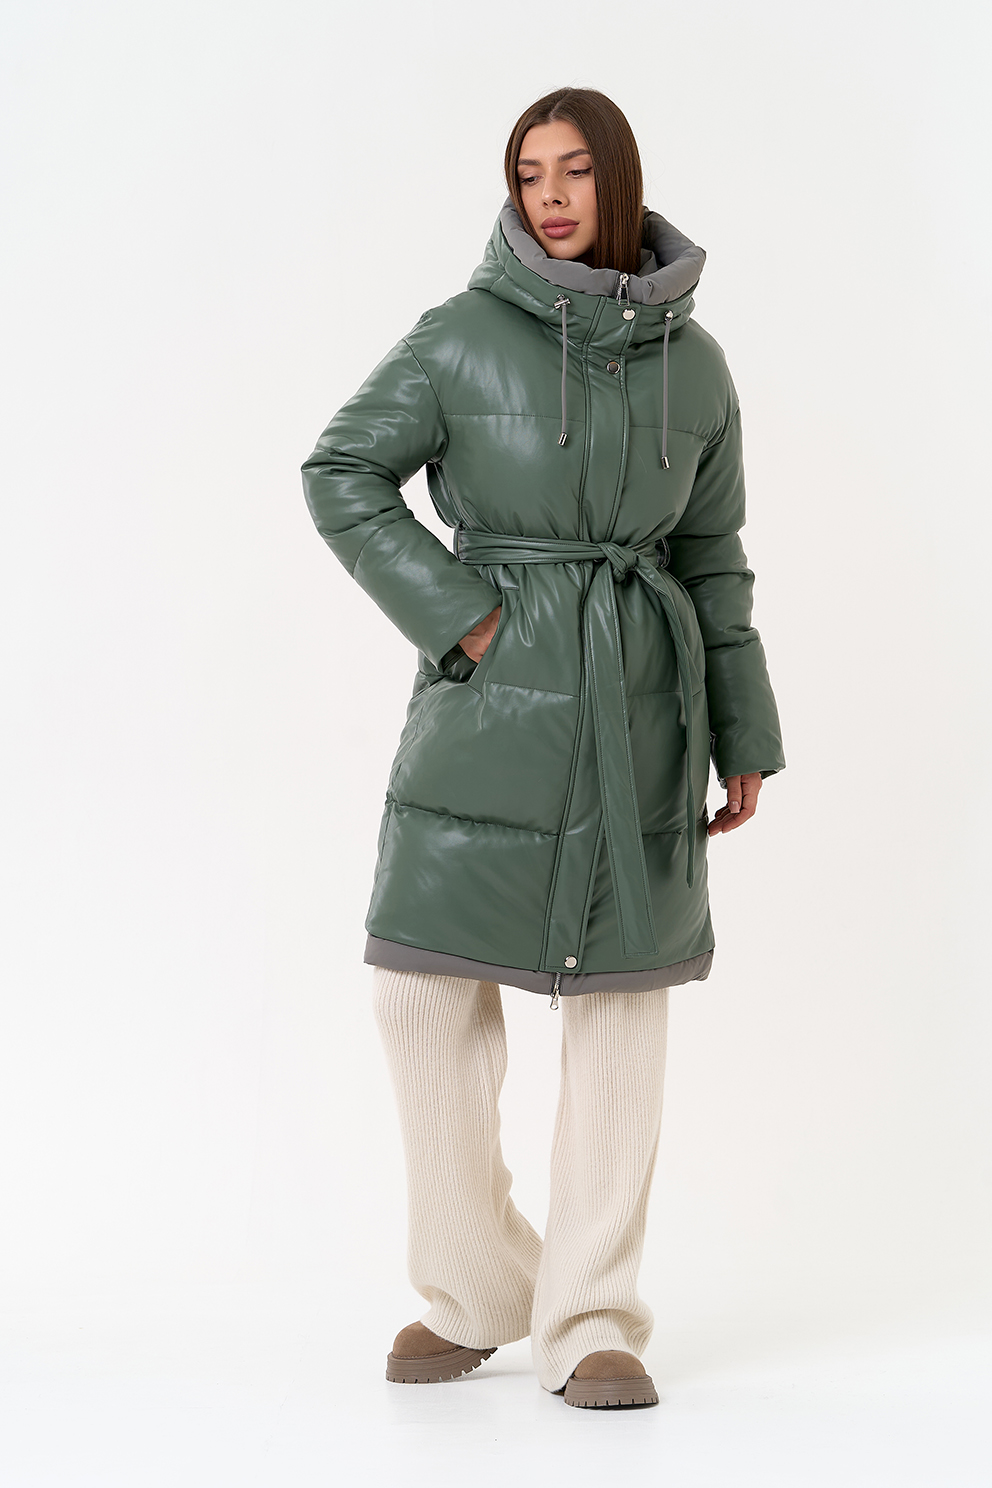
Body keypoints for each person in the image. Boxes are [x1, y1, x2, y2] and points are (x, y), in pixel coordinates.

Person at [301, 86, 785, 1410]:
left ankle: (591, 1318)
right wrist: (463, 619)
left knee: (622, 1007)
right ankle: (476, 1286)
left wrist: (744, 724)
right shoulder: (459, 336)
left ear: (618, 181)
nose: (552, 196)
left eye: (575, 171)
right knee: (419, 992)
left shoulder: (699, 366)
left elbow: (714, 556)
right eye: (529, 174)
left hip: (643, 705)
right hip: (488, 707)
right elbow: (340, 469)